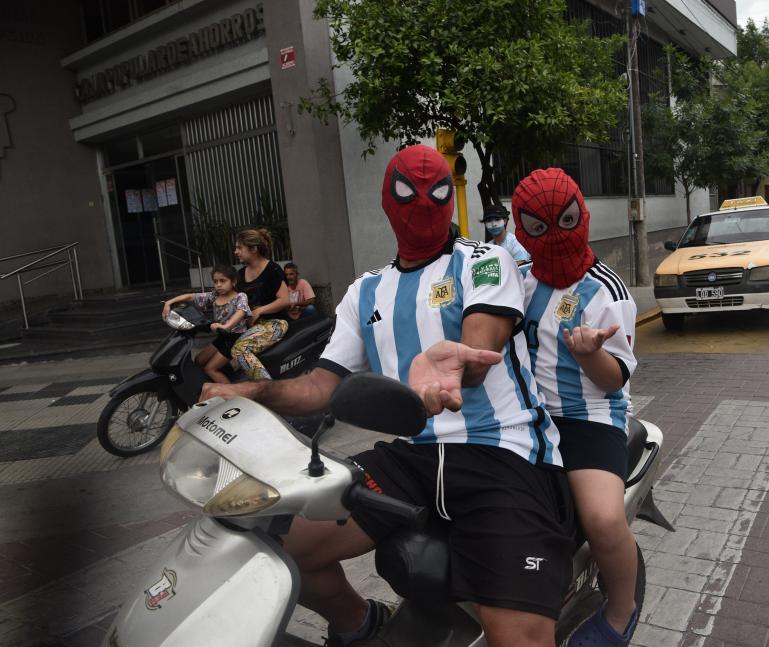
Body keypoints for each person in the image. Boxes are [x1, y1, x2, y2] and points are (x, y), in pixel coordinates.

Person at [201, 145, 573, 647]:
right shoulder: (365, 292)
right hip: (412, 456)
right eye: (407, 193)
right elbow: (320, 386)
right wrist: (249, 391)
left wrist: (452, 367)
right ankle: (361, 625)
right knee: (279, 546)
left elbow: (479, 345)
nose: (422, 204)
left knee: (520, 637)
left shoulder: (485, 262)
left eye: (436, 191)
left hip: (501, 453)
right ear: (386, 201)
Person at [511, 168, 640, 647]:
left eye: (566, 221)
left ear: (581, 215)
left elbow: (615, 380)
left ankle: (621, 612)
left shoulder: (606, 290)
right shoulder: (517, 282)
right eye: (540, 228)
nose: (556, 238)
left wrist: (590, 354)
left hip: (589, 419)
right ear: (523, 231)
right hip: (525, 418)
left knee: (604, 519)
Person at [161, 265, 251, 383]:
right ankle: (226, 378)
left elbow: (241, 312)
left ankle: (234, 395)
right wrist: (169, 302)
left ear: (233, 282)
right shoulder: (214, 296)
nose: (218, 284)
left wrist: (226, 326)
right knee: (199, 360)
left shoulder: (240, 296)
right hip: (223, 337)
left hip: (235, 339)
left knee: (210, 369)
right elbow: (190, 297)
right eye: (215, 281)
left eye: (223, 281)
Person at [231, 228, 290, 380]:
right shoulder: (240, 275)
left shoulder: (273, 269)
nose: (236, 252)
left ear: (254, 249)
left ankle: (268, 389)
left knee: (240, 349)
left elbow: (285, 300)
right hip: (251, 326)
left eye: (239, 248)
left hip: (275, 323)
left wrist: (259, 311)